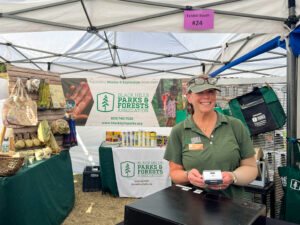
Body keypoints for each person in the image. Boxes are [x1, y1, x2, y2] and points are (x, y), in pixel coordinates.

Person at [164, 75, 258, 199]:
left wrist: (232, 177)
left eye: (210, 91)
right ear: (189, 97)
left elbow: (251, 168)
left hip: (232, 206)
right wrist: (188, 176)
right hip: (193, 208)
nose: (206, 96)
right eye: (200, 92)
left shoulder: (235, 125)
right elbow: (174, 173)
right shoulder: (179, 131)